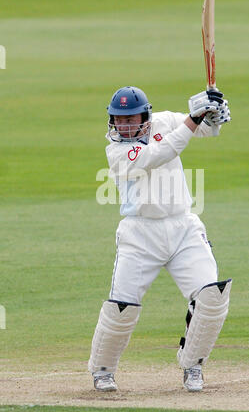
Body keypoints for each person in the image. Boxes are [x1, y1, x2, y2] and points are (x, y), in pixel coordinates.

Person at [88, 86, 232, 392]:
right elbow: (160, 153)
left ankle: (193, 365)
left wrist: (212, 113)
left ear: (145, 115)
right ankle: (103, 370)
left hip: (184, 228)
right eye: (119, 119)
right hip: (139, 235)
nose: (125, 126)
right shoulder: (115, 152)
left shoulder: (164, 121)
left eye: (131, 118)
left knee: (212, 297)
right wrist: (195, 119)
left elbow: (203, 130)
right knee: (122, 308)